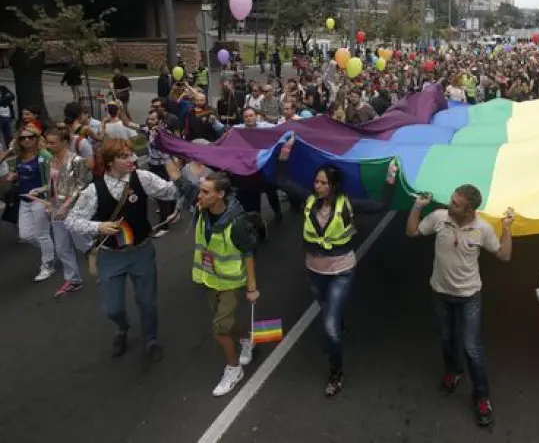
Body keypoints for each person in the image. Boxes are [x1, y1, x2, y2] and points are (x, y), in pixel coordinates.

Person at [274, 133, 397, 396]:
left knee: (328, 325)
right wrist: (285, 152)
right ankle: (338, 326)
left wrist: (390, 177)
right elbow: (281, 180)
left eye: (323, 183)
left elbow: (381, 204)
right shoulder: (308, 199)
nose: (317, 186)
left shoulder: (348, 204)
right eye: (316, 182)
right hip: (314, 271)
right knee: (327, 309)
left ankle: (336, 372)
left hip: (342, 271)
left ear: (334, 186)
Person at [65, 139, 187, 362]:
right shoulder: (94, 190)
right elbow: (72, 220)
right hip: (111, 257)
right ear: (110, 163)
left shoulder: (142, 178)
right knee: (113, 308)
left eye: (132, 154)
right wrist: (98, 226)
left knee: (147, 302)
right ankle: (122, 327)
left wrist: (179, 180)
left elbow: (171, 193)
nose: (132, 159)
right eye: (124, 156)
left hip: (141, 251)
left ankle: (151, 339)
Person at [405, 186, 515, 428]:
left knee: (471, 347)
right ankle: (453, 371)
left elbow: (504, 255)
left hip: (469, 297)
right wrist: (418, 207)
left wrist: (507, 228)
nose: (449, 204)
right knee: (446, 338)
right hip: (441, 293)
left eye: (455, 203)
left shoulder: (482, 229)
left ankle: (482, 396)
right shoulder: (439, 218)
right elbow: (412, 231)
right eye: (452, 200)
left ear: (470, 210)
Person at [166, 167, 261, 397]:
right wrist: (162, 139)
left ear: (220, 195)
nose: (200, 195)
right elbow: (178, 180)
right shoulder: (202, 206)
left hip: (231, 283)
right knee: (226, 324)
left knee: (219, 330)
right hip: (210, 280)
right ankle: (248, 338)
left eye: (206, 192)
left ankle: (233, 369)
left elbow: (248, 253)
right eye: (200, 190)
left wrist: (252, 287)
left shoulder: (236, 222)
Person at [40, 127, 93, 297]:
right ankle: (73, 280)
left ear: (64, 142)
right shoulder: (50, 160)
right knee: (62, 246)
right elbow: (53, 183)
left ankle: (104, 268)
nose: (49, 146)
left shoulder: (76, 160)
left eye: (53, 143)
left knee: (83, 244)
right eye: (47, 142)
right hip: (57, 206)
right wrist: (44, 195)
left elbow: (83, 185)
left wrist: (67, 205)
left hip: (74, 208)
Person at [7, 124, 55, 281]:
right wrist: (13, 177)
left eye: (30, 137)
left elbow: (53, 181)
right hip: (24, 199)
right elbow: (17, 174)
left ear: (37, 138)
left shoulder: (45, 156)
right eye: (23, 138)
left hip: (40, 200)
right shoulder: (19, 157)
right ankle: (52, 252)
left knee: (42, 234)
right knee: (26, 235)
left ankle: (48, 264)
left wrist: (42, 193)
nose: (27, 140)